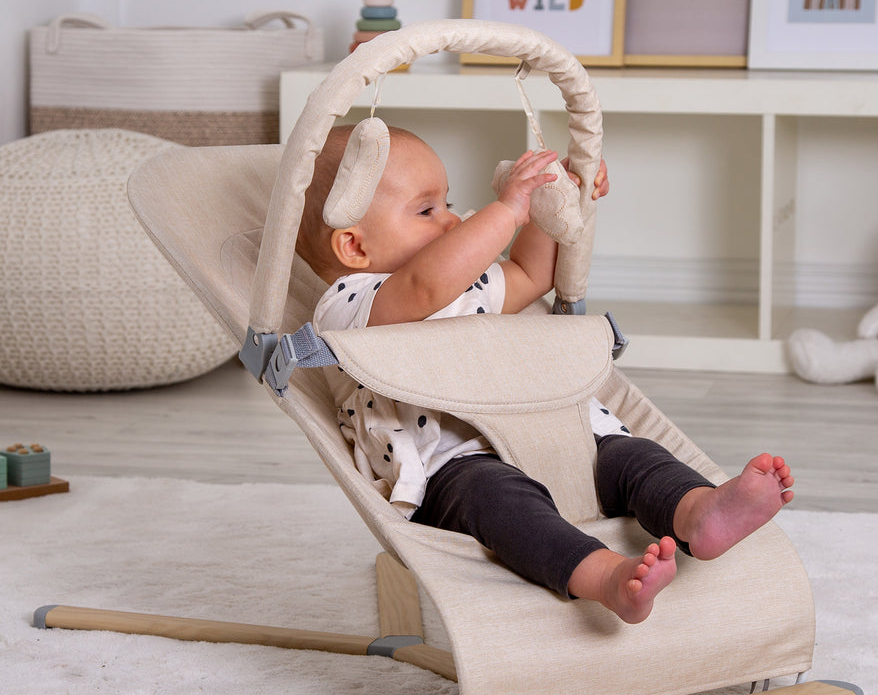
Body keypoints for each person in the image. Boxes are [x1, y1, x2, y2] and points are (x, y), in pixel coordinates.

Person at [298, 124, 794, 624]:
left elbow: (530, 275)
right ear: (354, 248)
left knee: (632, 458)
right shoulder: (349, 307)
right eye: (427, 210)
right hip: (455, 465)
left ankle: (699, 512)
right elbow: (425, 287)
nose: (451, 220)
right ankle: (604, 576)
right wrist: (505, 211)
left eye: (447, 203)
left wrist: (549, 202)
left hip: (552, 427)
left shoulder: (464, 286)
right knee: (502, 505)